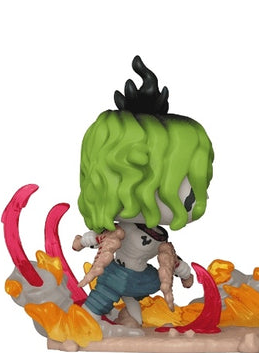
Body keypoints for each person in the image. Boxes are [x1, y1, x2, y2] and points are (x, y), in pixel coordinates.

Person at [73, 56, 214, 332]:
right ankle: (86, 323)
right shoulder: (119, 233)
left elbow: (171, 260)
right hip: (116, 274)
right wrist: (82, 241)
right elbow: (100, 238)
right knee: (100, 300)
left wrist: (184, 273)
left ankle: (126, 322)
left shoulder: (160, 239)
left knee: (131, 306)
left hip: (141, 279)